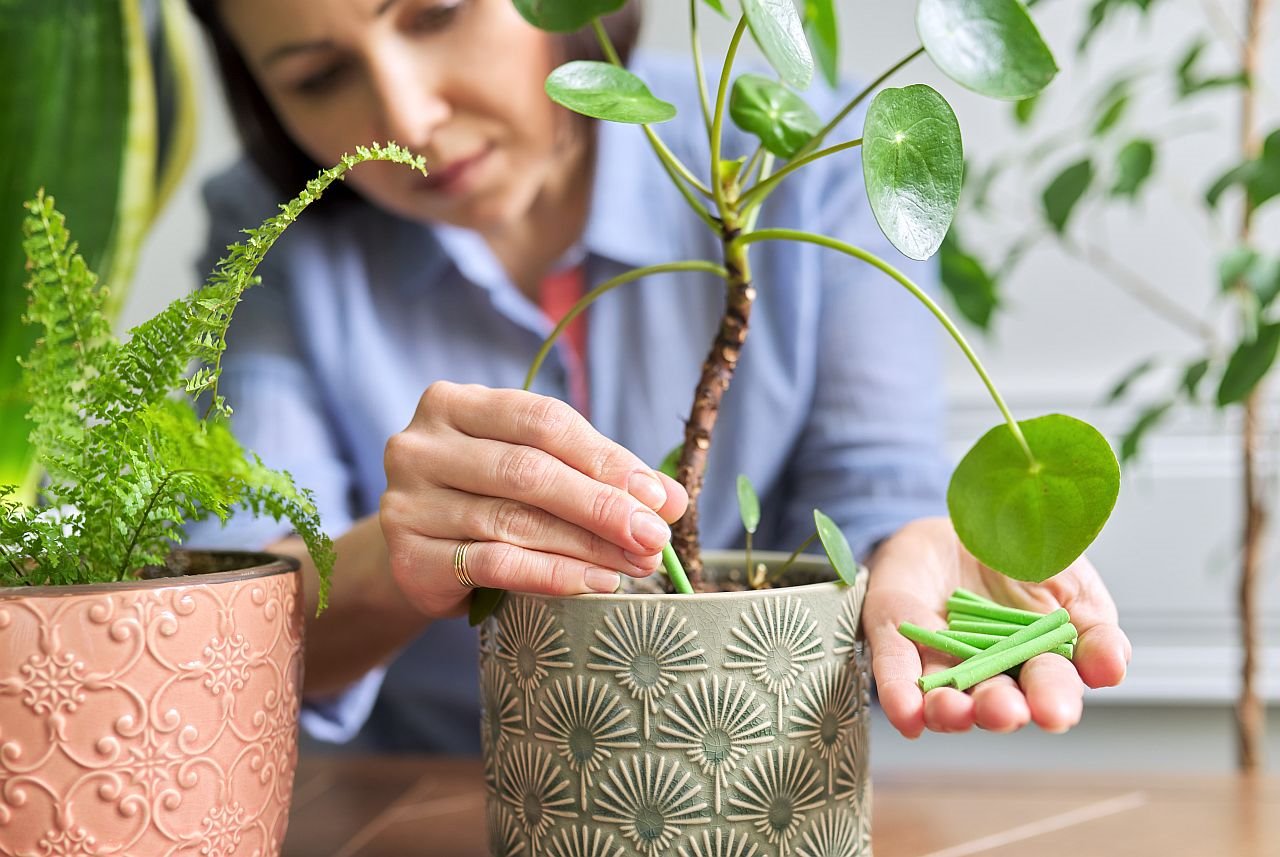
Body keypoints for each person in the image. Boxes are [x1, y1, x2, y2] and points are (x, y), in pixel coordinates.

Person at [184, 0, 1131, 753]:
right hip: (433, 803)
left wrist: (916, 557)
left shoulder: (806, 159)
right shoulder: (275, 231)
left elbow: (879, 511)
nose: (406, 118)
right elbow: (218, 614)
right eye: (318, 77)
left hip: (759, 783)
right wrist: (398, 557)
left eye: (437, 13)